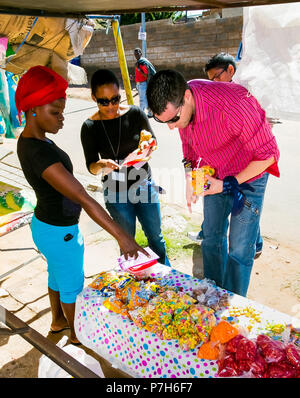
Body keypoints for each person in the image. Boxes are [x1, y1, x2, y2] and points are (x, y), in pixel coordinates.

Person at [15, 65, 148, 345]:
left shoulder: (30, 140)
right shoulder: (38, 152)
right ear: (33, 109)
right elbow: (84, 198)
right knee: (72, 286)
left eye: (62, 111)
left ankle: (58, 321)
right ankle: (78, 338)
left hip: (46, 226)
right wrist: (124, 238)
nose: (62, 119)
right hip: (60, 232)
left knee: (56, 275)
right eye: (56, 112)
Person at [146, 69, 280, 297]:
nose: (171, 127)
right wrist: (190, 176)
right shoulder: (182, 103)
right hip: (215, 173)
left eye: (174, 119)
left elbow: (269, 155)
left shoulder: (234, 105)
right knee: (211, 238)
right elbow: (189, 146)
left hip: (249, 175)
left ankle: (234, 303)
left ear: (187, 97)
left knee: (239, 248)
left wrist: (227, 185)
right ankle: (214, 292)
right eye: (163, 122)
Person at [80, 69, 170, 267]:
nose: (111, 106)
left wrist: (148, 147)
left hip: (144, 184)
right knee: (127, 242)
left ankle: (166, 279)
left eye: (115, 99)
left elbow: (152, 140)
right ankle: (134, 284)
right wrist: (101, 165)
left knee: (156, 237)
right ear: (94, 97)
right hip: (115, 192)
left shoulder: (135, 114)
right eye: (104, 101)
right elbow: (91, 166)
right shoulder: (89, 127)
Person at [188, 52, 263, 260]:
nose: (213, 83)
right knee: (214, 208)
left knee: (245, 207)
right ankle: (207, 233)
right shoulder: (206, 100)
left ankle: (255, 243)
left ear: (231, 70)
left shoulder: (246, 91)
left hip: (245, 165)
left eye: (217, 77)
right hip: (216, 167)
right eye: (210, 79)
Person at [133, 48, 156, 117]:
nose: (136, 55)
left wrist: (139, 69)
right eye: (135, 54)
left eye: (137, 54)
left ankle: (141, 115)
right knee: (144, 100)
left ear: (141, 54)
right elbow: (140, 74)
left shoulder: (142, 63)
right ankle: (150, 113)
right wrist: (134, 77)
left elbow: (146, 75)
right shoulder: (139, 62)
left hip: (143, 84)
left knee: (143, 100)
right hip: (139, 84)